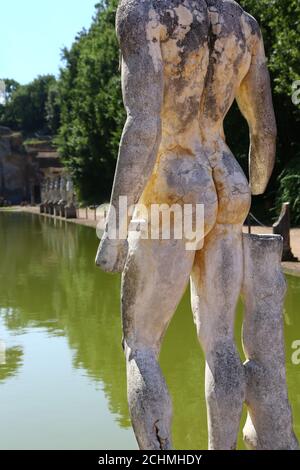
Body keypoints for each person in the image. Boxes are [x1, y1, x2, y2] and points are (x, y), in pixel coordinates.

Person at [96, 0, 276, 450]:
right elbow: (264, 129)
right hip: (227, 182)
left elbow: (142, 127)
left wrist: (115, 229)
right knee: (220, 341)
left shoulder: (144, 12)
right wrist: (252, 186)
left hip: (176, 186)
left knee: (141, 343)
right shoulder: (244, 25)